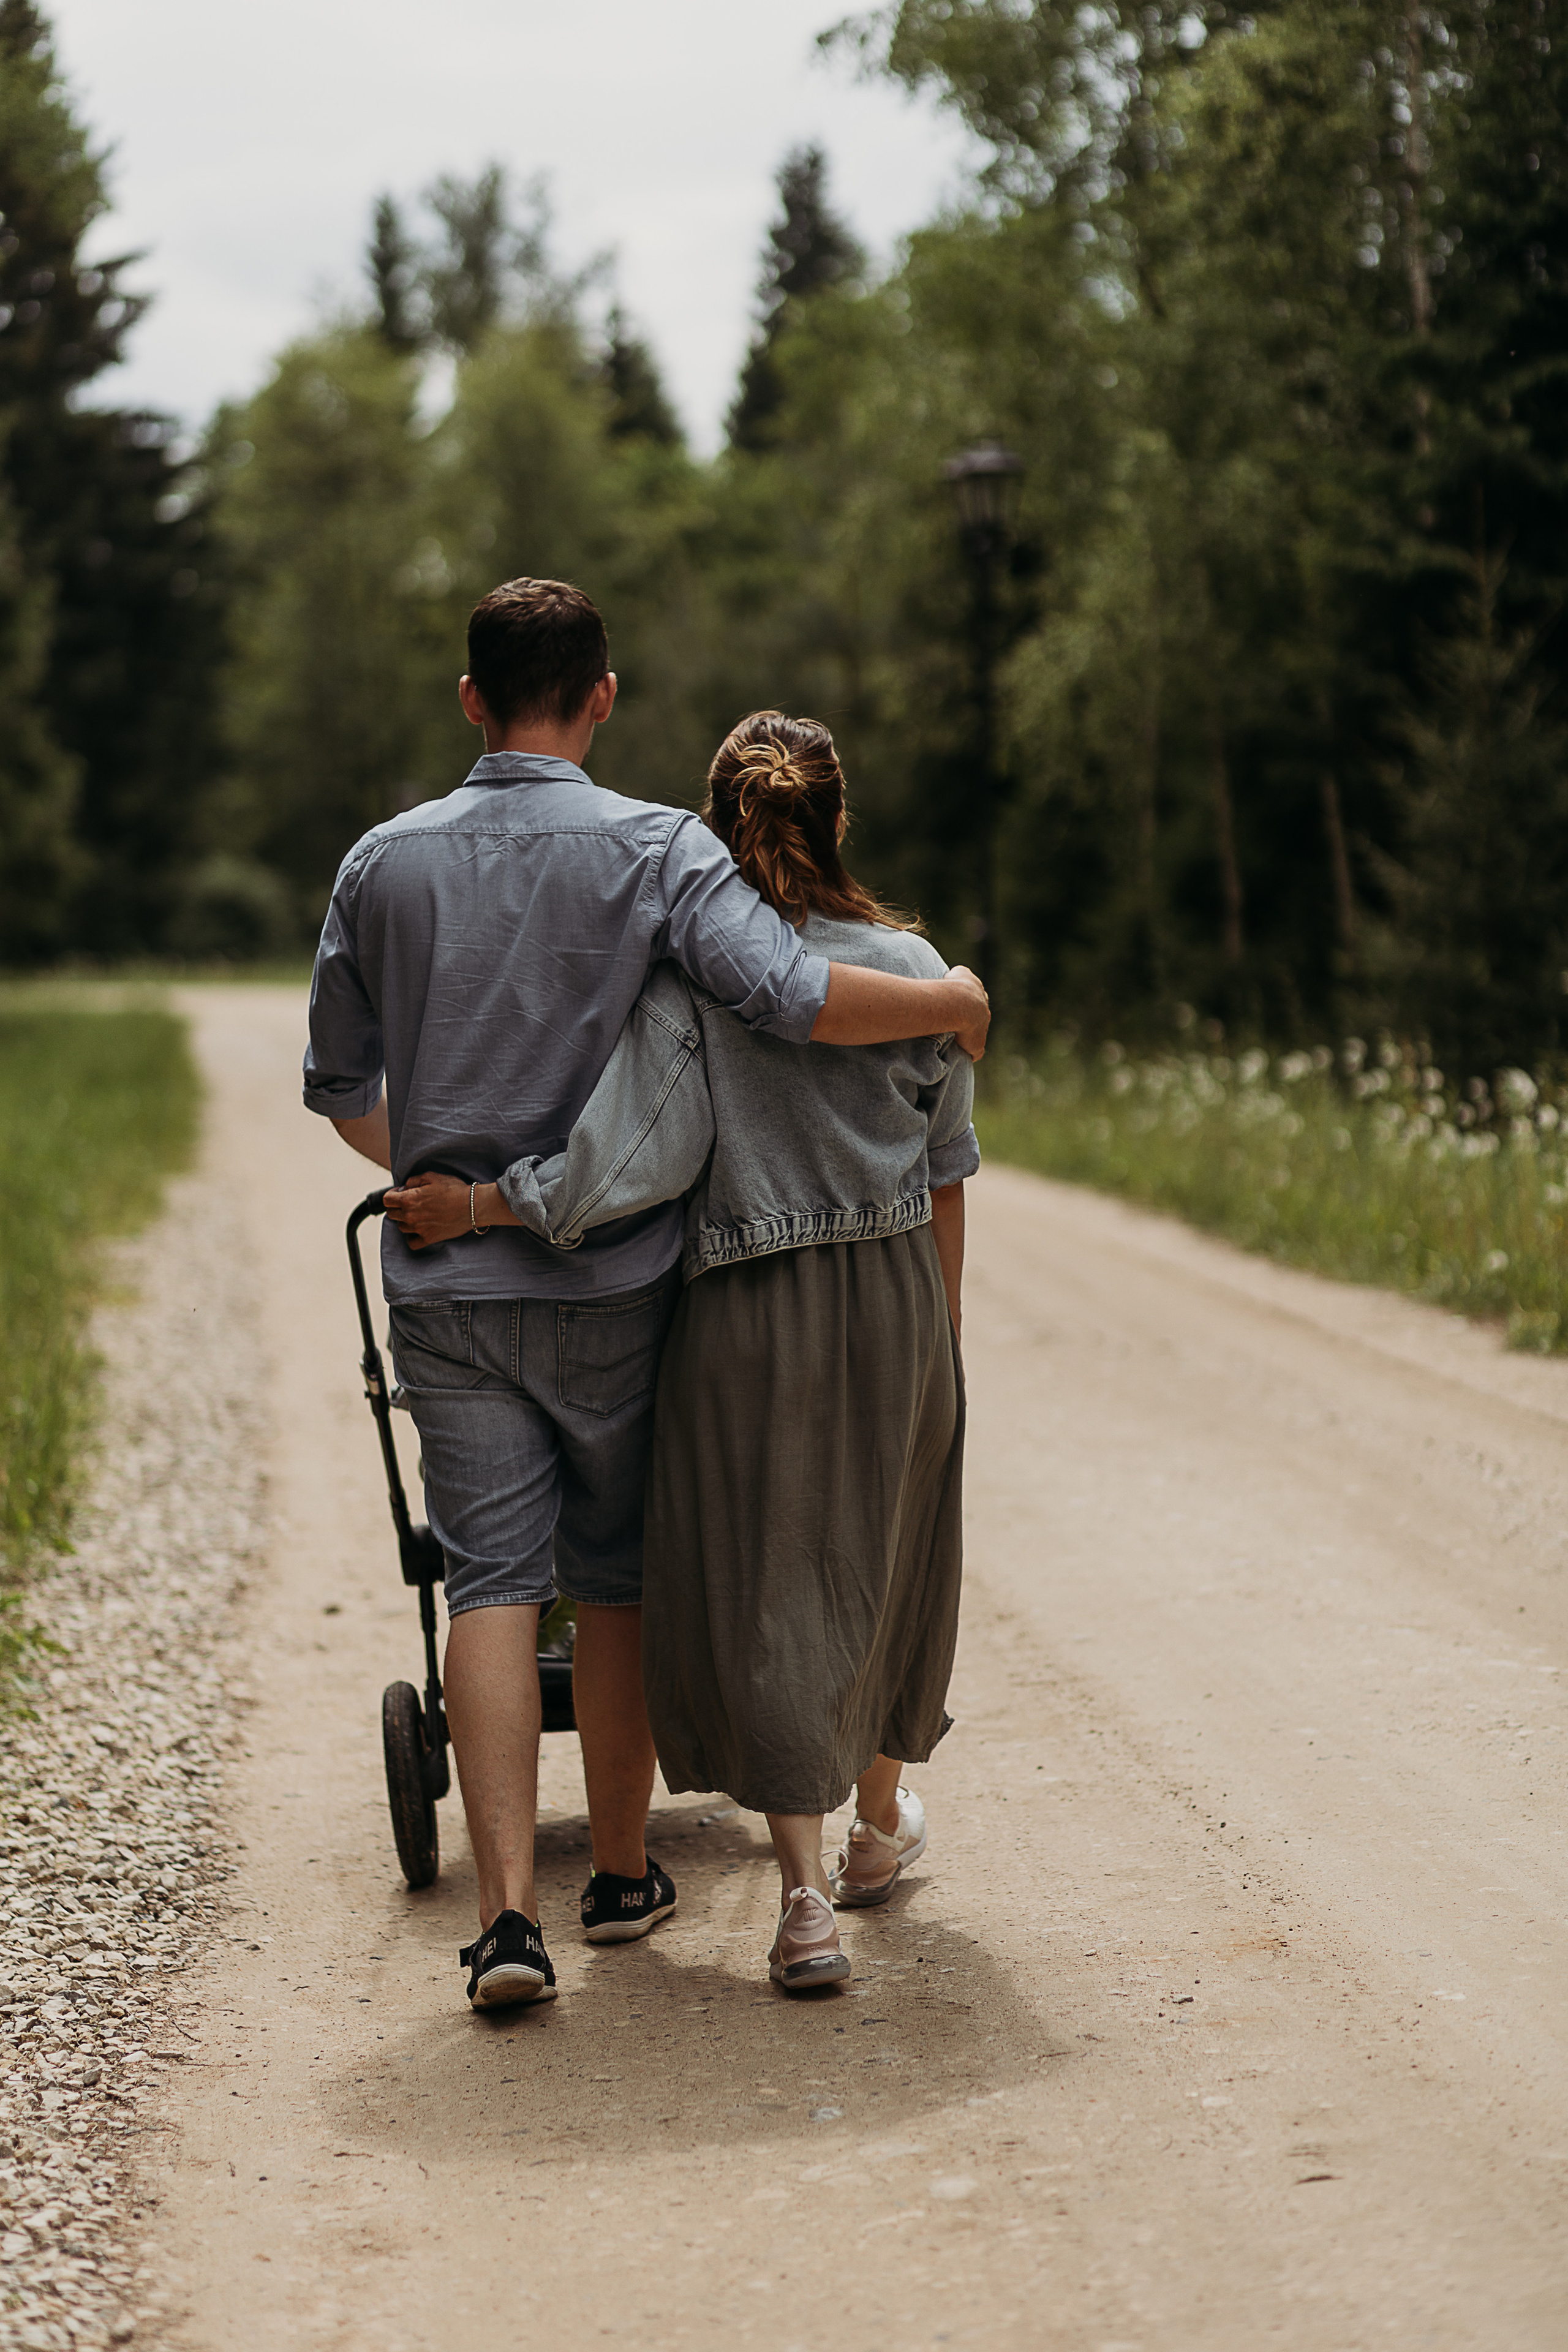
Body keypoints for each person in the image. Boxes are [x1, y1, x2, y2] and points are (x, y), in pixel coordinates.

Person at [304, 580, 990, 2011]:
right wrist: (948, 1002)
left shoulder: (379, 863)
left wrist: (441, 1178)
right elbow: (788, 997)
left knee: (490, 1583)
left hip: (448, 1282)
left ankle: (507, 1922)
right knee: (611, 1579)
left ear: (470, 698)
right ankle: (620, 1873)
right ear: (603, 697)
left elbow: (341, 1088)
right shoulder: (656, 850)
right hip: (614, 1287)